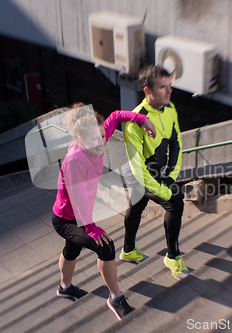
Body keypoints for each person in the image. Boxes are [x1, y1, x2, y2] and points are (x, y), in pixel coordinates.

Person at [52, 103, 156, 320]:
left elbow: (117, 115)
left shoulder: (98, 138)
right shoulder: (74, 160)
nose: (101, 142)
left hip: (77, 217)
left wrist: (142, 120)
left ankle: (64, 287)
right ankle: (116, 298)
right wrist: (91, 228)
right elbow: (78, 198)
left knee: (72, 249)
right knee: (106, 247)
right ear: (80, 139)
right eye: (93, 139)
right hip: (66, 219)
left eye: (102, 135)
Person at [120, 65, 189, 280]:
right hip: (141, 174)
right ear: (148, 90)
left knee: (137, 205)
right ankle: (172, 255)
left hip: (160, 174)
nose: (169, 91)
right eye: (163, 87)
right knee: (175, 202)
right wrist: (163, 189)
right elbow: (138, 168)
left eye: (170, 86)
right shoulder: (134, 121)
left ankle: (128, 250)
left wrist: (171, 177)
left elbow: (176, 143)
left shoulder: (170, 109)